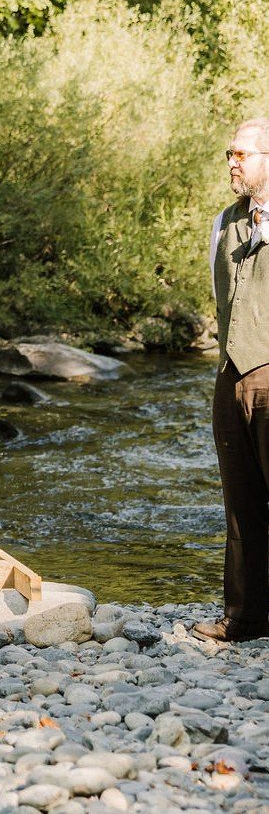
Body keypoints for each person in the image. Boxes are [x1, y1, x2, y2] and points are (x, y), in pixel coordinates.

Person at [198, 119, 269, 642]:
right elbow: (222, 293)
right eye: (230, 153)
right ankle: (245, 618)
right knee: (240, 503)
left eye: (241, 154)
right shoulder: (224, 221)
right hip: (231, 374)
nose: (232, 162)